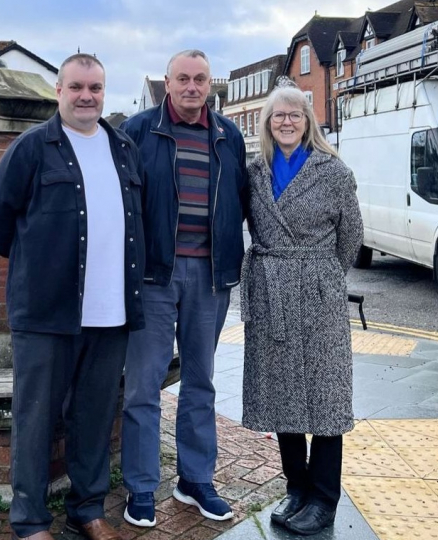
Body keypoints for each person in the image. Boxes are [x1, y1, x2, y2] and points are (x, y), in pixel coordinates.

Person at [0, 53, 146, 540]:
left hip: (111, 311)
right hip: (46, 312)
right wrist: (36, 263)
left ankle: (86, 509)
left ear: (104, 91)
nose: (86, 96)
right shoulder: (34, 147)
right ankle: (30, 522)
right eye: (76, 87)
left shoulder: (123, 148)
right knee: (35, 419)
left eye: (95, 87)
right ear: (59, 91)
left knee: (94, 417)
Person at [119, 49, 248, 527]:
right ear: (167, 83)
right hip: (154, 276)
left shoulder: (227, 135)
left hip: (210, 278)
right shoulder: (138, 130)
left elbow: (243, 200)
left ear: (210, 85)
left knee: (201, 382)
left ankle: (195, 480)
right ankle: (140, 487)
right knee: (143, 385)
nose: (192, 87)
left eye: (201, 79)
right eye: (183, 79)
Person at [240, 79, 363, 536]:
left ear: (308, 121)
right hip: (270, 289)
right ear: (268, 125)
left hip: (318, 292)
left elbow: (351, 238)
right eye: (278, 115)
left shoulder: (333, 171)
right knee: (282, 392)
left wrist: (322, 278)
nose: (286, 121)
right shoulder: (255, 171)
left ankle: (324, 498)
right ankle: (296, 487)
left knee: (326, 395)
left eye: (294, 114)